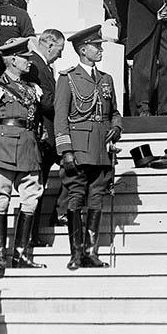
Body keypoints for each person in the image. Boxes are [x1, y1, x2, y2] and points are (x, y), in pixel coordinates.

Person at [54, 25, 122, 270]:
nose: (101, 49)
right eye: (97, 46)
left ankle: (91, 253)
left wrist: (117, 127)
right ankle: (76, 253)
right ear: (83, 50)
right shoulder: (68, 78)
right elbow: (60, 117)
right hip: (79, 148)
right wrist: (66, 150)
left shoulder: (106, 79)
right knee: (75, 197)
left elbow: (114, 112)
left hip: (101, 147)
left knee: (96, 199)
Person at [0, 38, 46, 272]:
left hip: (29, 147)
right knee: (1, 198)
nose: (29, 62)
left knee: (30, 198)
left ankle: (20, 255)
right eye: (25, 58)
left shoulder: (32, 89)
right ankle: (0, 255)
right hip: (4, 148)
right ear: (12, 60)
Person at [26, 29, 67, 244]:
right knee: (36, 188)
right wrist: (68, 104)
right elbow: (45, 102)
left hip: (50, 138)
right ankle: (32, 235)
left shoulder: (42, 65)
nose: (60, 55)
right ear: (49, 45)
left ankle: (55, 216)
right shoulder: (35, 65)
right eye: (59, 50)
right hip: (43, 138)